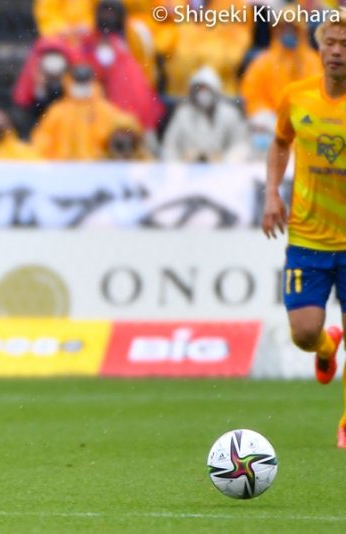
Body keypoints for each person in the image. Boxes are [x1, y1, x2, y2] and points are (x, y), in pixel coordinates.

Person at [262, 8, 346, 448]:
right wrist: (271, 193)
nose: (337, 51)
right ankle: (328, 348)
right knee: (304, 334)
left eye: (345, 45)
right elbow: (280, 142)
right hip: (309, 238)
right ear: (319, 47)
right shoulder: (297, 97)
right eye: (331, 42)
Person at [161, 66, 249, 163]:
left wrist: (223, 161)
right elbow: (170, 146)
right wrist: (179, 164)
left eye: (207, 89)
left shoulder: (229, 113)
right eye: (199, 89)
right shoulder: (182, 114)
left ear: (215, 90)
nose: (203, 93)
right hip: (187, 170)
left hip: (220, 171)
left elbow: (240, 144)